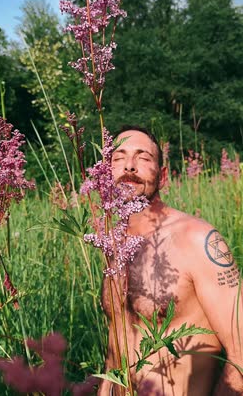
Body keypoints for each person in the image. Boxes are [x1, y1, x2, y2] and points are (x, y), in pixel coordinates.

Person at [98, 126, 243, 396]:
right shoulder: (114, 246)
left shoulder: (197, 239)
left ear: (163, 176)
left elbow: (241, 354)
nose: (129, 166)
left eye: (143, 158)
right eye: (118, 158)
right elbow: (115, 355)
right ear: (104, 176)